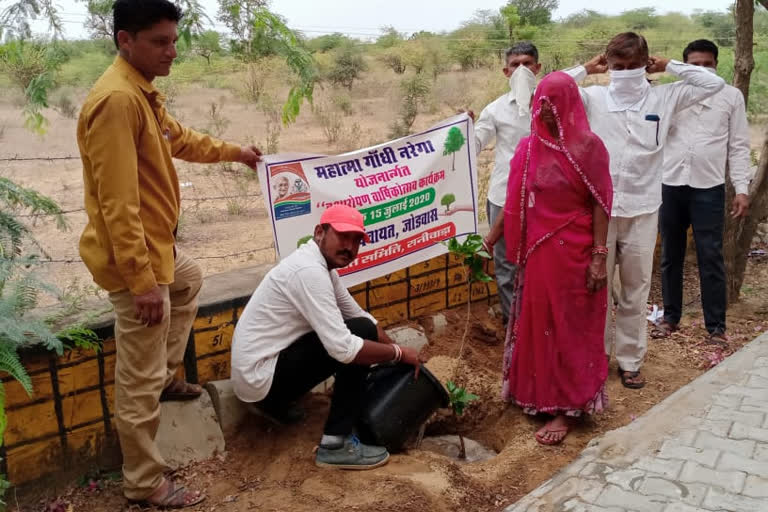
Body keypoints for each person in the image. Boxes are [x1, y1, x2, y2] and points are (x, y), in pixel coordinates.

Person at [77, 0, 262, 508]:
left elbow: (181, 139)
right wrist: (140, 283)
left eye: (174, 40)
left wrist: (237, 153)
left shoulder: (142, 96)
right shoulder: (116, 101)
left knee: (189, 278)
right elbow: (117, 204)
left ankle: (165, 377)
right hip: (132, 257)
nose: (172, 51)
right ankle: (143, 481)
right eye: (160, 41)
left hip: (159, 250)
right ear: (125, 40)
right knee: (134, 382)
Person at [563, 32, 725, 389]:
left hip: (644, 207)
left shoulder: (665, 96)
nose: (625, 73)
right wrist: (586, 70)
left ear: (646, 64)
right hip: (599, 212)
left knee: (636, 289)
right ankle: (597, 357)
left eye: (633, 66)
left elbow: (715, 83)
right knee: (596, 290)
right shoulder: (593, 98)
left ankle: (630, 359)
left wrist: (671, 66)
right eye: (618, 67)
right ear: (608, 67)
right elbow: (547, 89)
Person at [231, 205, 423, 470]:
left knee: (361, 327)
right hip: (260, 378)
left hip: (259, 376)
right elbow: (344, 349)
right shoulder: (308, 271)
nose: (350, 247)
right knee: (356, 336)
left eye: (357, 241)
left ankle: (275, 406)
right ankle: (335, 444)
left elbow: (359, 314)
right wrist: (399, 354)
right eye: (343, 237)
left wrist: (395, 350)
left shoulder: (321, 266)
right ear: (319, 232)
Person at [484, 72, 613, 445]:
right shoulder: (528, 147)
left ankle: (566, 407)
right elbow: (512, 204)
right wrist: (490, 241)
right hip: (539, 256)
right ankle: (539, 395)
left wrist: (599, 255)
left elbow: (601, 203)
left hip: (576, 252)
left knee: (569, 325)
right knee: (539, 324)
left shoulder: (589, 147)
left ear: (570, 103)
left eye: (553, 102)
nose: (547, 110)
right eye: (541, 102)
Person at [655, 39, 751, 346]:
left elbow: (737, 145)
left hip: (708, 187)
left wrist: (742, 188)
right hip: (669, 184)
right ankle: (670, 318)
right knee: (671, 254)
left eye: (707, 64)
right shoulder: (670, 94)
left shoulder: (730, 96)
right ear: (683, 67)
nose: (701, 69)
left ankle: (716, 327)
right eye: (693, 65)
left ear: (716, 66)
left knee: (711, 255)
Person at [469, 42, 541, 326]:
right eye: (515, 65)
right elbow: (473, 146)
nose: (521, 70)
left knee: (540, 262)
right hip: (504, 197)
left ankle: (539, 323)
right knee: (507, 264)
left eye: (527, 64)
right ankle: (516, 327)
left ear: (538, 68)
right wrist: (463, 128)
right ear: (505, 71)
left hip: (545, 198)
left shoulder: (551, 105)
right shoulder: (496, 109)